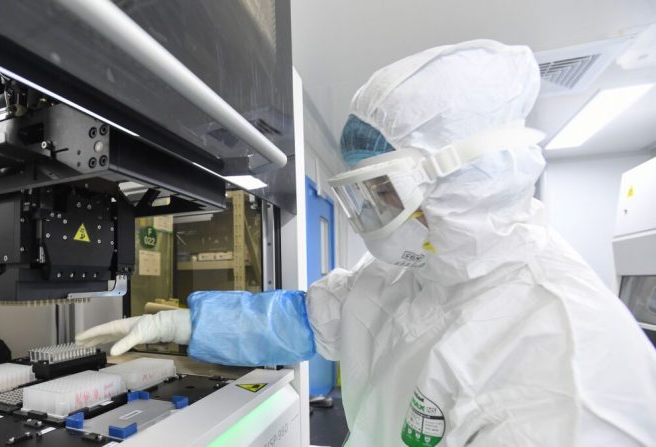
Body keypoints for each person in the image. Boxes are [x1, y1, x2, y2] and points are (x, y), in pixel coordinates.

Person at [77, 40, 656, 446]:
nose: (366, 219)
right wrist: (174, 326)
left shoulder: (565, 363)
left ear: (464, 183)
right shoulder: (419, 270)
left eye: (381, 192)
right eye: (361, 196)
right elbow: (302, 321)